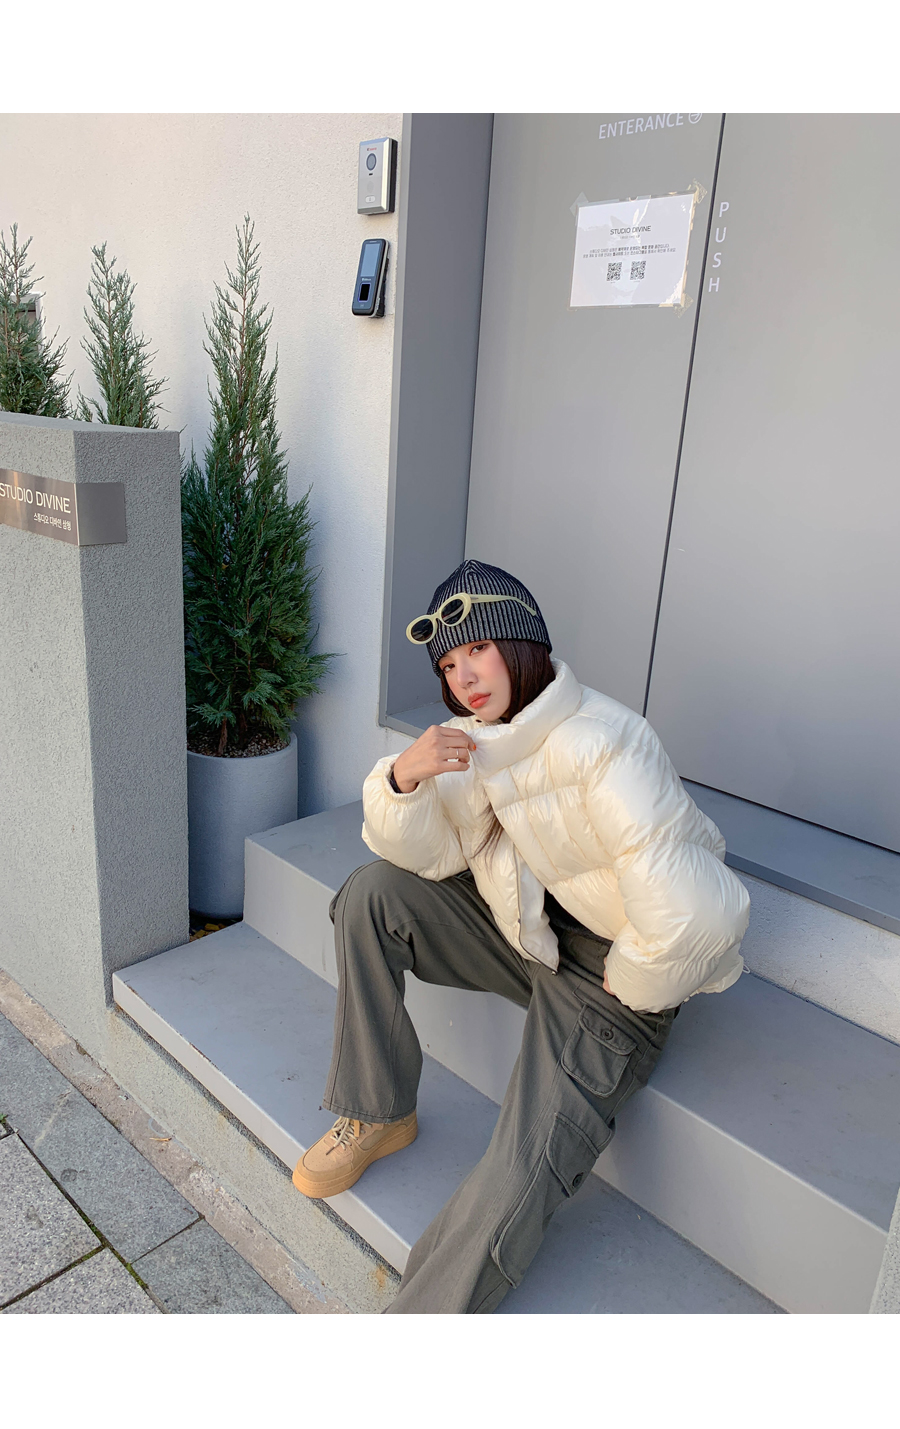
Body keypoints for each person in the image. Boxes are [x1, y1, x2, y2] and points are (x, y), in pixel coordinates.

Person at [292, 559, 750, 1313]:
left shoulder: (605, 742)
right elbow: (430, 858)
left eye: (477, 648)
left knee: (518, 1161)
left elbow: (701, 913)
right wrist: (403, 780)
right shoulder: (478, 740)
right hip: (528, 933)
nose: (464, 676)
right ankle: (379, 1111)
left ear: (520, 642)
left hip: (610, 976)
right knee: (373, 895)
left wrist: (632, 979)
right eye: (448, 664)